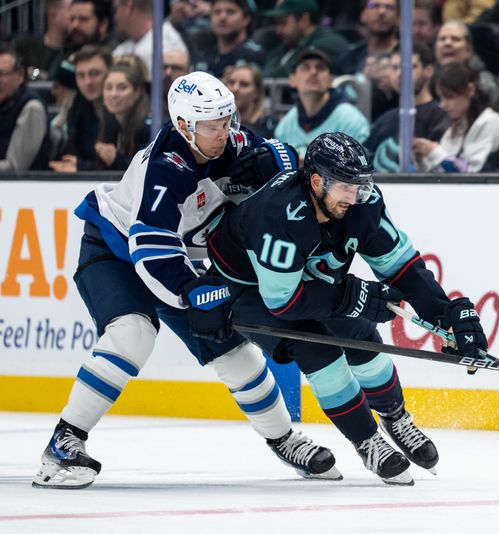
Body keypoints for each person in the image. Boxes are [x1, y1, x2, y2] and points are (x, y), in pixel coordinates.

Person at [32, 71, 338, 489]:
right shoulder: (165, 168)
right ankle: (62, 444)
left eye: (228, 120)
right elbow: (151, 251)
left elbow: (279, 158)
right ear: (183, 126)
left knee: (237, 355)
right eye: (213, 125)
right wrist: (191, 292)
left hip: (178, 263)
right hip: (115, 253)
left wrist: (281, 162)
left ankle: (284, 439)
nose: (225, 132)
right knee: (132, 334)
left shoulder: (228, 140)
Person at [203, 132, 489, 484]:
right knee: (318, 351)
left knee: (360, 334)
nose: (355, 197)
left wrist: (445, 313)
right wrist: (351, 298)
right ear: (317, 180)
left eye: (361, 186)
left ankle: (395, 416)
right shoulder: (279, 215)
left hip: (310, 281)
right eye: (345, 187)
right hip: (248, 289)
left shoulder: (361, 202)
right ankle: (367, 441)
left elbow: (402, 267)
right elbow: (284, 302)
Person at [364, 42, 449, 172]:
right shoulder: (384, 120)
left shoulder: (443, 116)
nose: (399, 73)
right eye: (394, 67)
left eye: (408, 67)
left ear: (428, 71)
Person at [274, 48, 370, 159]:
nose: (313, 72)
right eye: (305, 67)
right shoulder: (285, 126)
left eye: (320, 67)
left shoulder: (352, 120)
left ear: (330, 80)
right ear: (292, 80)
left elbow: (360, 169)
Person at [412, 62, 499, 173]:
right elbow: (441, 170)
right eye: (441, 98)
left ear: (470, 89)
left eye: (449, 97)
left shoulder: (492, 122)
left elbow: (473, 174)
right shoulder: (454, 128)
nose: (443, 105)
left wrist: (434, 152)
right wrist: (422, 158)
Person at [49, 45, 111, 172]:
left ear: (110, 73)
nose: (88, 82)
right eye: (81, 76)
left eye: (95, 74)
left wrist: (81, 167)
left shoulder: (121, 109)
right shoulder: (79, 106)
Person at [261, 0, 350, 79]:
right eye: (277, 23)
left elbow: (288, 71)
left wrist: (258, 80)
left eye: (283, 23)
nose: (278, 30)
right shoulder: (281, 49)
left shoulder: (330, 43)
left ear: (304, 19)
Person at [0, 45, 51, 172]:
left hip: (26, 189)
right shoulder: (4, 103)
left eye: (2, 74)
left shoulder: (32, 109)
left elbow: (14, 168)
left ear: (20, 75)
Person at [95, 61, 151, 170]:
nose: (114, 94)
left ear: (137, 92)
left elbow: (147, 169)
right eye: (108, 88)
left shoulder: (149, 127)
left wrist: (116, 160)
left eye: (122, 87)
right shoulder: (108, 123)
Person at [192, 0, 263, 78]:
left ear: (246, 19)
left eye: (230, 12)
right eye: (217, 12)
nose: (222, 17)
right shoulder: (203, 52)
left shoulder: (252, 54)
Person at [112, 0, 189, 71]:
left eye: (115, 9)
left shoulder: (167, 41)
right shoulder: (122, 49)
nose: (115, 17)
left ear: (129, 7)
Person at [223, 62, 273, 139]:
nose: (235, 88)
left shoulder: (269, 127)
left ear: (257, 92)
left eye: (244, 84)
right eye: (231, 82)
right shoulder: (216, 126)